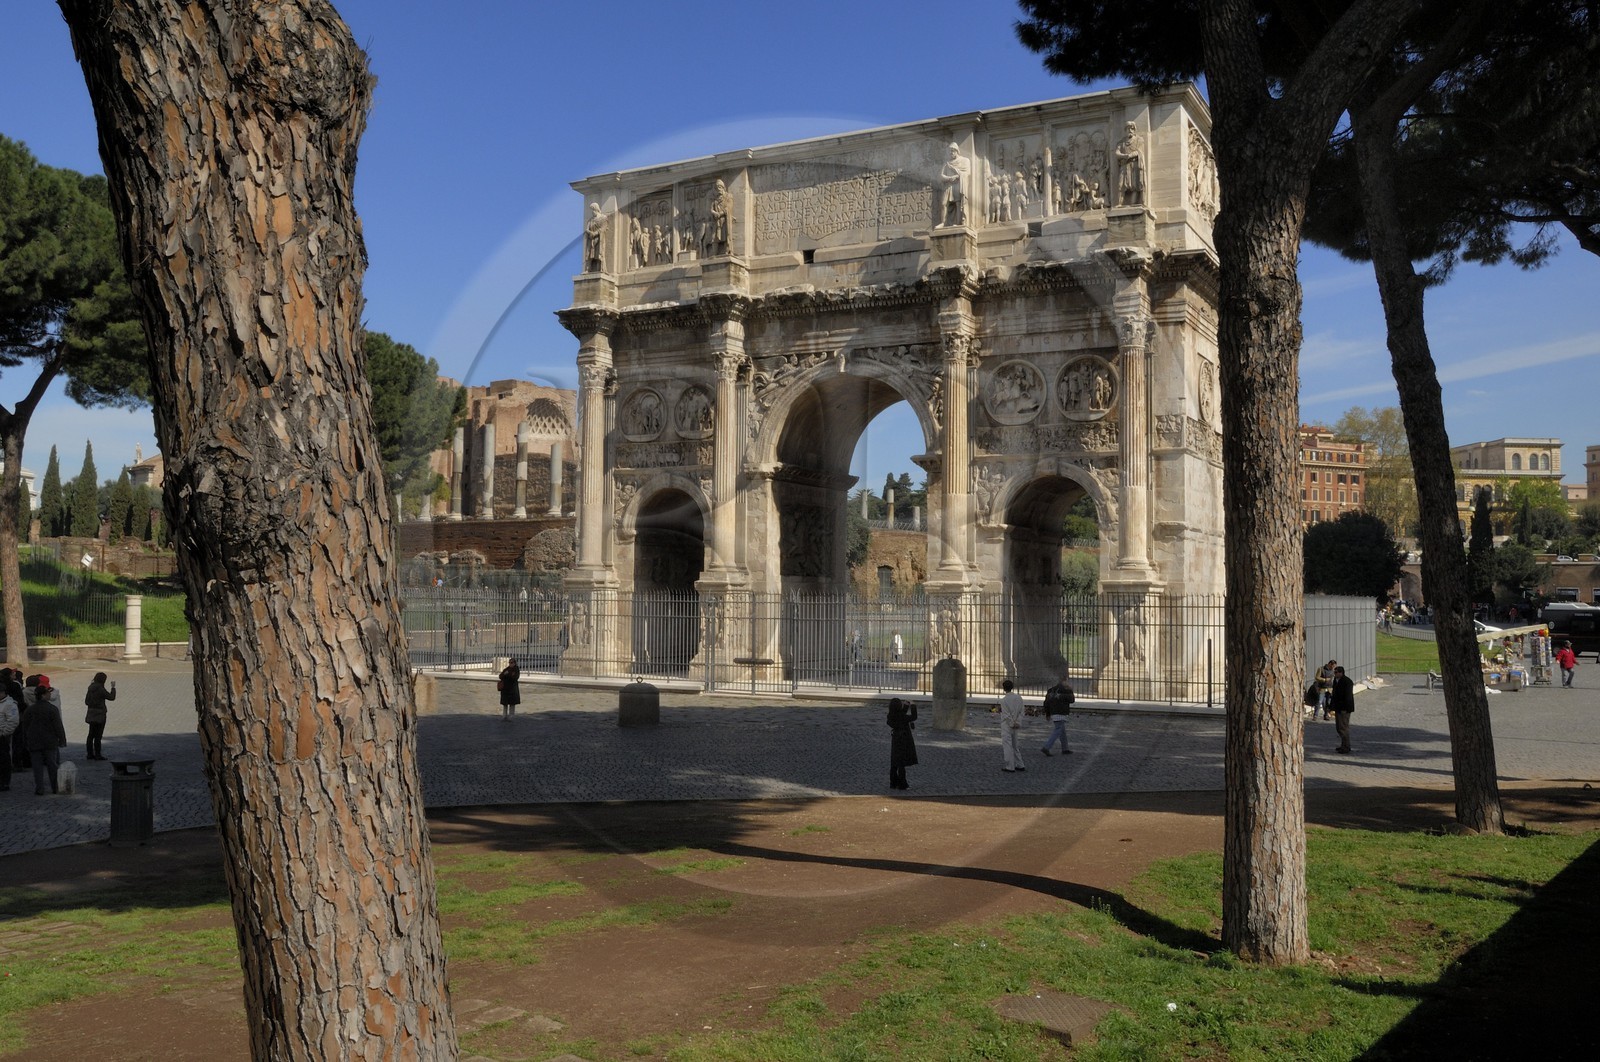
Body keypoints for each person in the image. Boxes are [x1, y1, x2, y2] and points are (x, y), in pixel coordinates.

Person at [21, 678, 68, 795]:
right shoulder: (52, 709)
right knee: (52, 765)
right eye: (47, 693)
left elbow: (24, 727)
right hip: (50, 742)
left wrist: (25, 741)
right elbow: (58, 726)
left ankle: (40, 788)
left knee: (37, 767)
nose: (49, 694)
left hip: (34, 742)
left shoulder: (30, 710)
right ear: (43, 695)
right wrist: (62, 739)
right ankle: (54, 787)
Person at [885, 696, 918, 790]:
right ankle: (902, 784)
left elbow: (901, 714)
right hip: (904, 740)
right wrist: (913, 705)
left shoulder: (890, 716)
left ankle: (893, 783)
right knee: (901, 764)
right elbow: (913, 717)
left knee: (894, 762)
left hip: (895, 739)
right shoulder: (902, 717)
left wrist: (906, 705)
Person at [1040, 670, 1075, 756]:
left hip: (1053, 712)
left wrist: (1047, 713)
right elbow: (1072, 700)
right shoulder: (1067, 690)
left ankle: (1065, 748)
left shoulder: (1051, 690)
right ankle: (1047, 747)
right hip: (1062, 712)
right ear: (1065, 680)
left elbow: (1046, 702)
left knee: (1061, 730)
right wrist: (1071, 690)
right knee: (1058, 729)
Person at [84, 671, 116, 760]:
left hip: (91, 713)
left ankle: (89, 754)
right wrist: (113, 687)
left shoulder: (90, 688)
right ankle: (98, 754)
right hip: (100, 714)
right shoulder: (101, 689)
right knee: (98, 736)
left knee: (90, 735)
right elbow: (111, 697)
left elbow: (86, 701)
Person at [999, 679, 1027, 772]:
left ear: (1004, 688)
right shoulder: (1019, 698)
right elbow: (1022, 711)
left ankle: (1009, 766)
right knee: (1015, 745)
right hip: (1016, 724)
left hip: (1007, 725)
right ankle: (1020, 764)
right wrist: (1018, 722)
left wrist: (1011, 723)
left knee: (1007, 745)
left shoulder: (1003, 700)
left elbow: (1006, 714)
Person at [1330, 665, 1356, 754]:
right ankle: (1343, 745)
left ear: (1341, 673)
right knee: (1339, 727)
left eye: (1336, 672)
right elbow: (1334, 694)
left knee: (1343, 727)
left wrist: (1345, 708)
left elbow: (1348, 697)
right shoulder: (1336, 681)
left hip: (1344, 708)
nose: (1335, 674)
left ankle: (1346, 746)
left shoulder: (1347, 682)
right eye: (1334, 672)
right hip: (1338, 707)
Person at [0, 681, 17, 792]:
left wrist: (4, 733)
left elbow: (13, 721)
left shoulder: (9, 704)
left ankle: (4, 782)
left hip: (2, 737)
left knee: (3, 760)